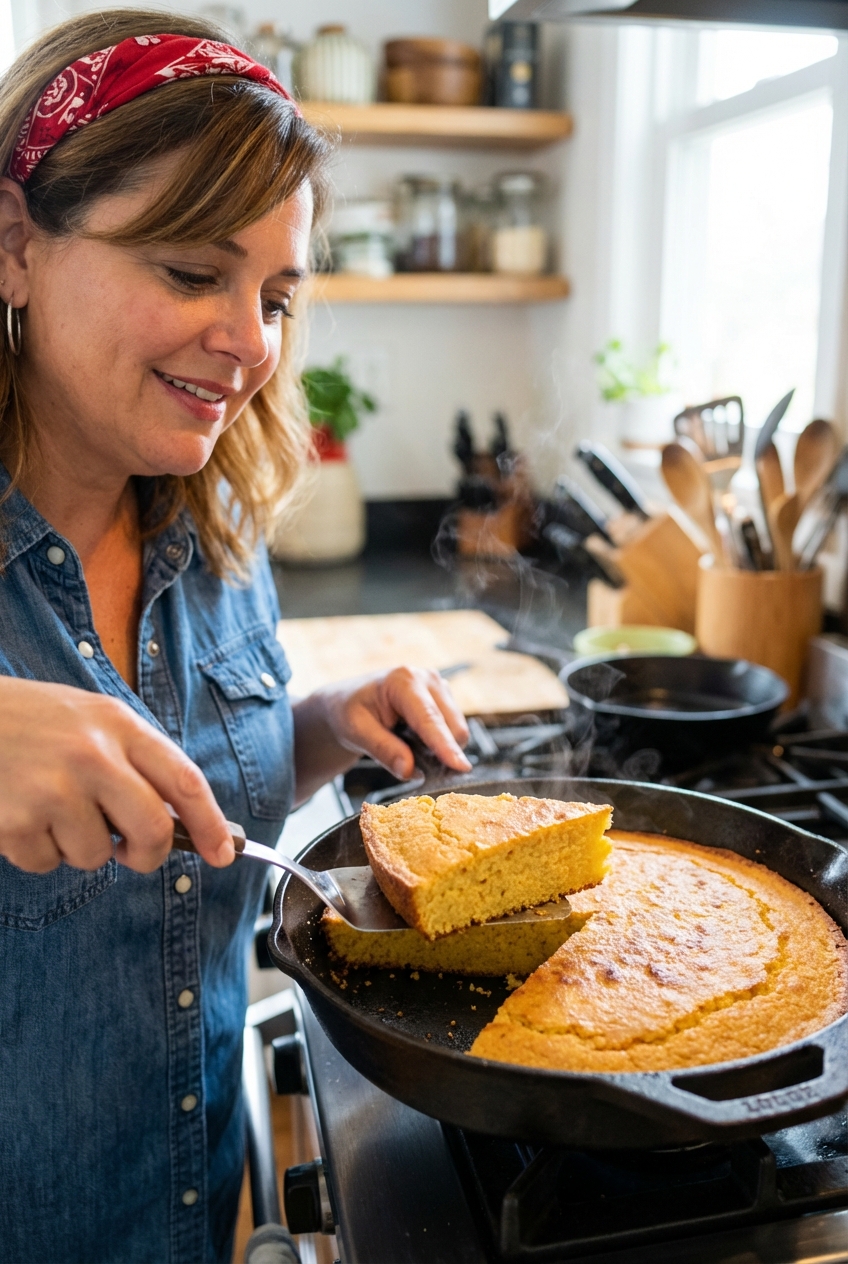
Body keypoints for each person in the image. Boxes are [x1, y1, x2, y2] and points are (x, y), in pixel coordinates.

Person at [0, 12, 471, 1262]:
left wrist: (319, 728)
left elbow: (197, 793)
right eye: (192, 271)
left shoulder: (214, 530)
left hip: (194, 1214)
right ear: (14, 247)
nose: (252, 342)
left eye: (273, 294)